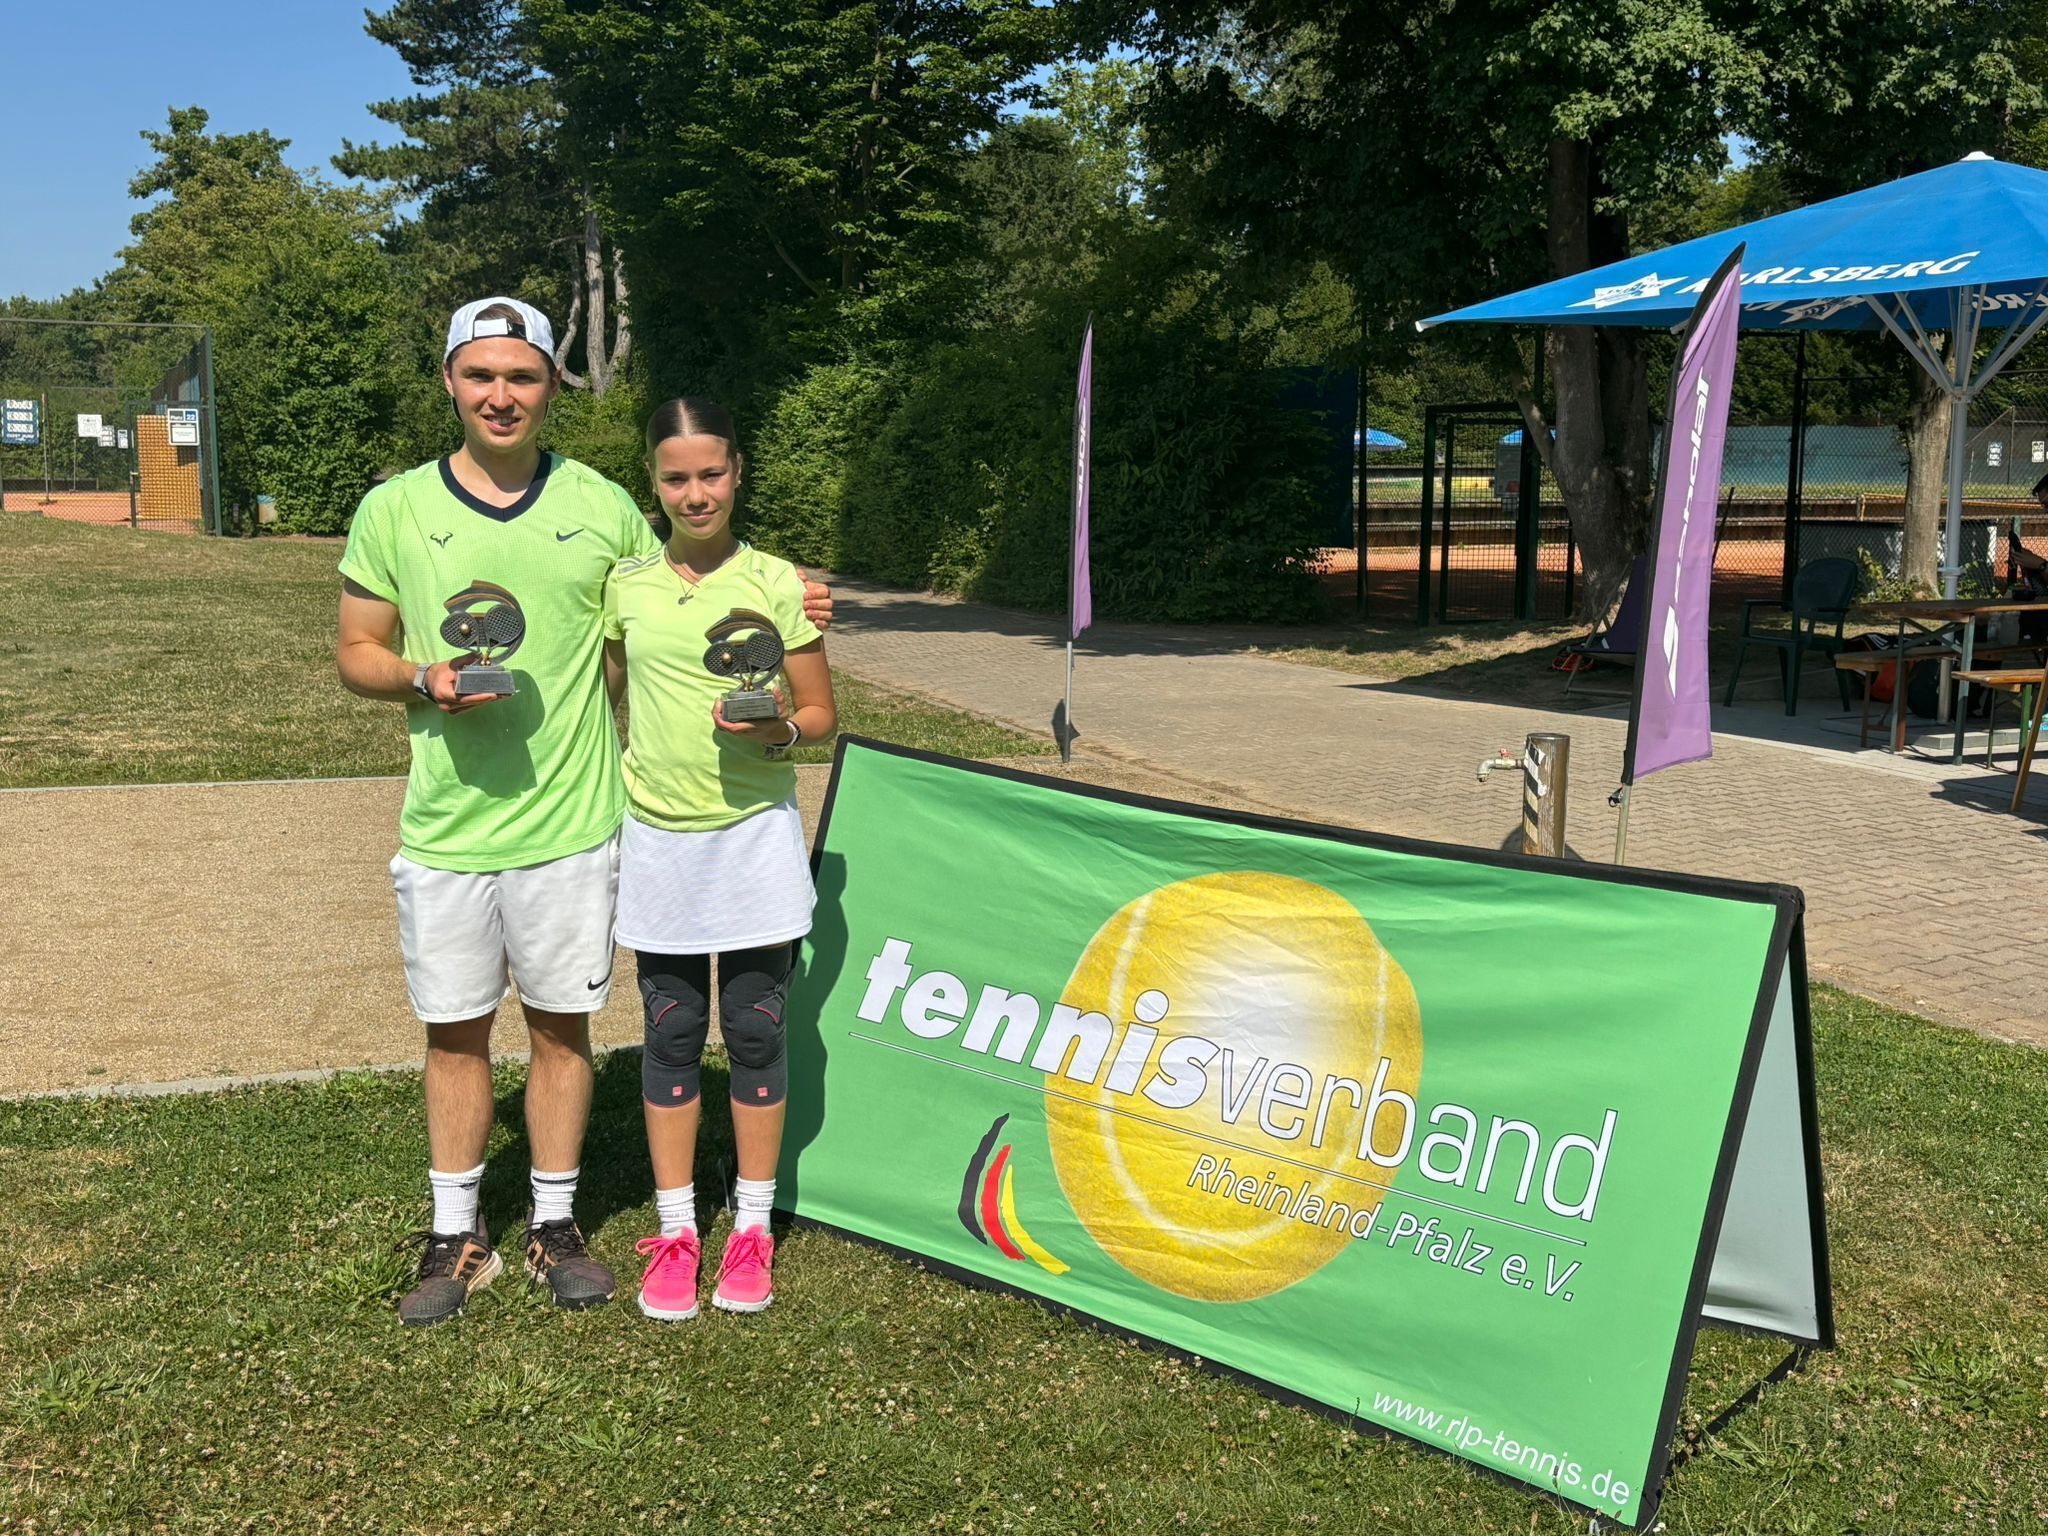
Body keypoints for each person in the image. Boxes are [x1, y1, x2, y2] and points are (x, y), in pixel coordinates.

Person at [335, 299, 832, 1327]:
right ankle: (455, 1231)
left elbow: (687, 593)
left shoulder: (604, 506)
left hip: (576, 822)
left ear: (552, 387)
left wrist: (794, 599)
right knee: (453, 1032)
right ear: (450, 384)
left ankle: (556, 1225)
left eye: (522, 375)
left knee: (565, 1030)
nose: (502, 394)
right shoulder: (391, 508)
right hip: (447, 827)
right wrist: (424, 675)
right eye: (482, 376)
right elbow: (355, 654)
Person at [601, 398, 836, 1321]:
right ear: (652, 484)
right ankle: (676, 1229)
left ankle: (750, 1227)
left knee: (753, 1033)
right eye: (674, 477)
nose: (694, 494)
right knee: (667, 1032)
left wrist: (777, 729)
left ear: (738, 472)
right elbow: (604, 687)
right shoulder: (624, 584)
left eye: (711, 474)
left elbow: (817, 714)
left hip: (752, 844)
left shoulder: (781, 582)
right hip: (657, 838)